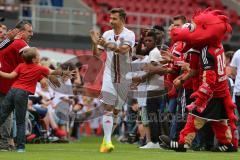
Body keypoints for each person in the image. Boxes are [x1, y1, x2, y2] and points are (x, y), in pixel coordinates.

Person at [0, 47, 73, 152]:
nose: (40, 57)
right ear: (34, 59)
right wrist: (64, 73)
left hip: (12, 90)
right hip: (22, 93)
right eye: (38, 55)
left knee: (2, 116)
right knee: (20, 122)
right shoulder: (39, 68)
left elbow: (10, 76)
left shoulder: (20, 66)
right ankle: (20, 147)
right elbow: (53, 72)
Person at [90, 8, 135, 153]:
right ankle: (108, 141)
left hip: (124, 76)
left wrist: (105, 44)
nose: (111, 21)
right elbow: (96, 54)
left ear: (122, 19)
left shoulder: (129, 34)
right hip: (109, 74)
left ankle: (106, 139)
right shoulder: (106, 34)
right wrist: (94, 42)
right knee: (108, 108)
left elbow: (122, 50)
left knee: (116, 110)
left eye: (114, 18)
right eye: (110, 18)